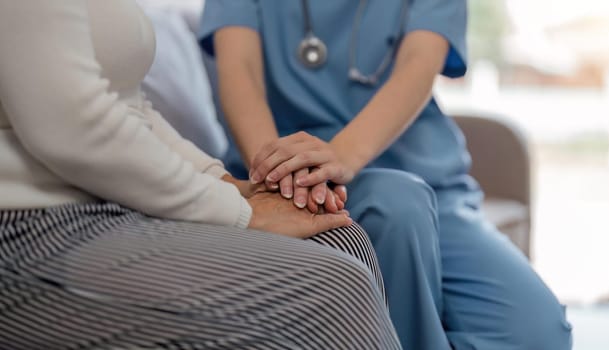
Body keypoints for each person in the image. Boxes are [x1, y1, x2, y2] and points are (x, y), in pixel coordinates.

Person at [0, 1, 402, 349]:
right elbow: (72, 125)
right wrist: (238, 212)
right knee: (337, 291)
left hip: (107, 200)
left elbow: (129, 107)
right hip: (29, 225)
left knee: (341, 239)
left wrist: (229, 185)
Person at [199, 0, 573, 349]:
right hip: (292, 188)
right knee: (396, 205)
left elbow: (419, 63)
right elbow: (240, 72)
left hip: (425, 178)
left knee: (538, 333)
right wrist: (276, 171)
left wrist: (342, 154)